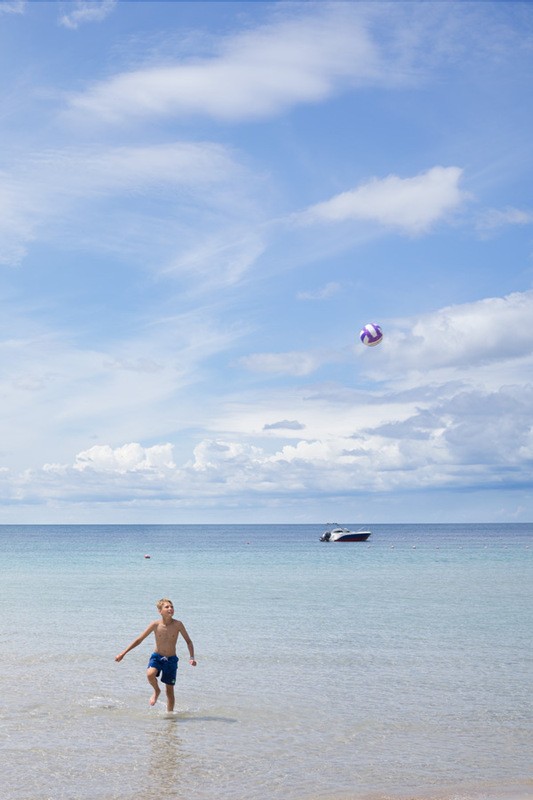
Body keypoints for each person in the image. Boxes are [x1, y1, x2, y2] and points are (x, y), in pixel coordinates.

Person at [115, 598, 197, 712]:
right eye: (167, 607)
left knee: (169, 691)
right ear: (160, 611)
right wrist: (123, 653)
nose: (170, 609)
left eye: (172, 606)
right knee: (150, 674)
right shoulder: (155, 624)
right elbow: (139, 639)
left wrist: (191, 657)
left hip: (171, 660)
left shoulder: (178, 624)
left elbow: (189, 641)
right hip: (157, 657)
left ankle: (170, 716)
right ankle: (156, 690)